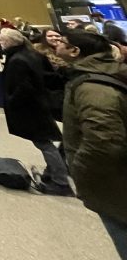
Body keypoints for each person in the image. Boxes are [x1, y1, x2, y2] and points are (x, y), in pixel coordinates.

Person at [54, 30, 127, 256]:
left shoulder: (91, 86)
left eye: (61, 42)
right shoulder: (106, 73)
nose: (56, 45)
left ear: (75, 51)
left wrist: (79, 169)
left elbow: (103, 138)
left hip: (112, 179)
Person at [0, 28, 70, 194]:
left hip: (30, 108)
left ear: (8, 42)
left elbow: (22, 87)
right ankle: (53, 173)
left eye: (2, 41)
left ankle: (60, 181)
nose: (0, 43)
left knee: (44, 143)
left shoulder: (17, 60)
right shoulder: (33, 54)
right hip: (40, 104)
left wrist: (11, 101)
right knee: (46, 142)